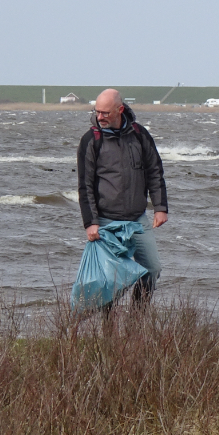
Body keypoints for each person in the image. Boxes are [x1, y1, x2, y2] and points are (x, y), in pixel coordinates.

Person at [77, 88, 168, 303]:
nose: (100, 117)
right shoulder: (91, 139)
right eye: (97, 112)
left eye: (105, 113)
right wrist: (91, 223)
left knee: (152, 269)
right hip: (106, 222)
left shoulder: (139, 134)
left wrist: (160, 207)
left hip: (137, 219)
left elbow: (155, 170)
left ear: (120, 110)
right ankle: (109, 329)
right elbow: (85, 185)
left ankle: (136, 320)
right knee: (111, 281)